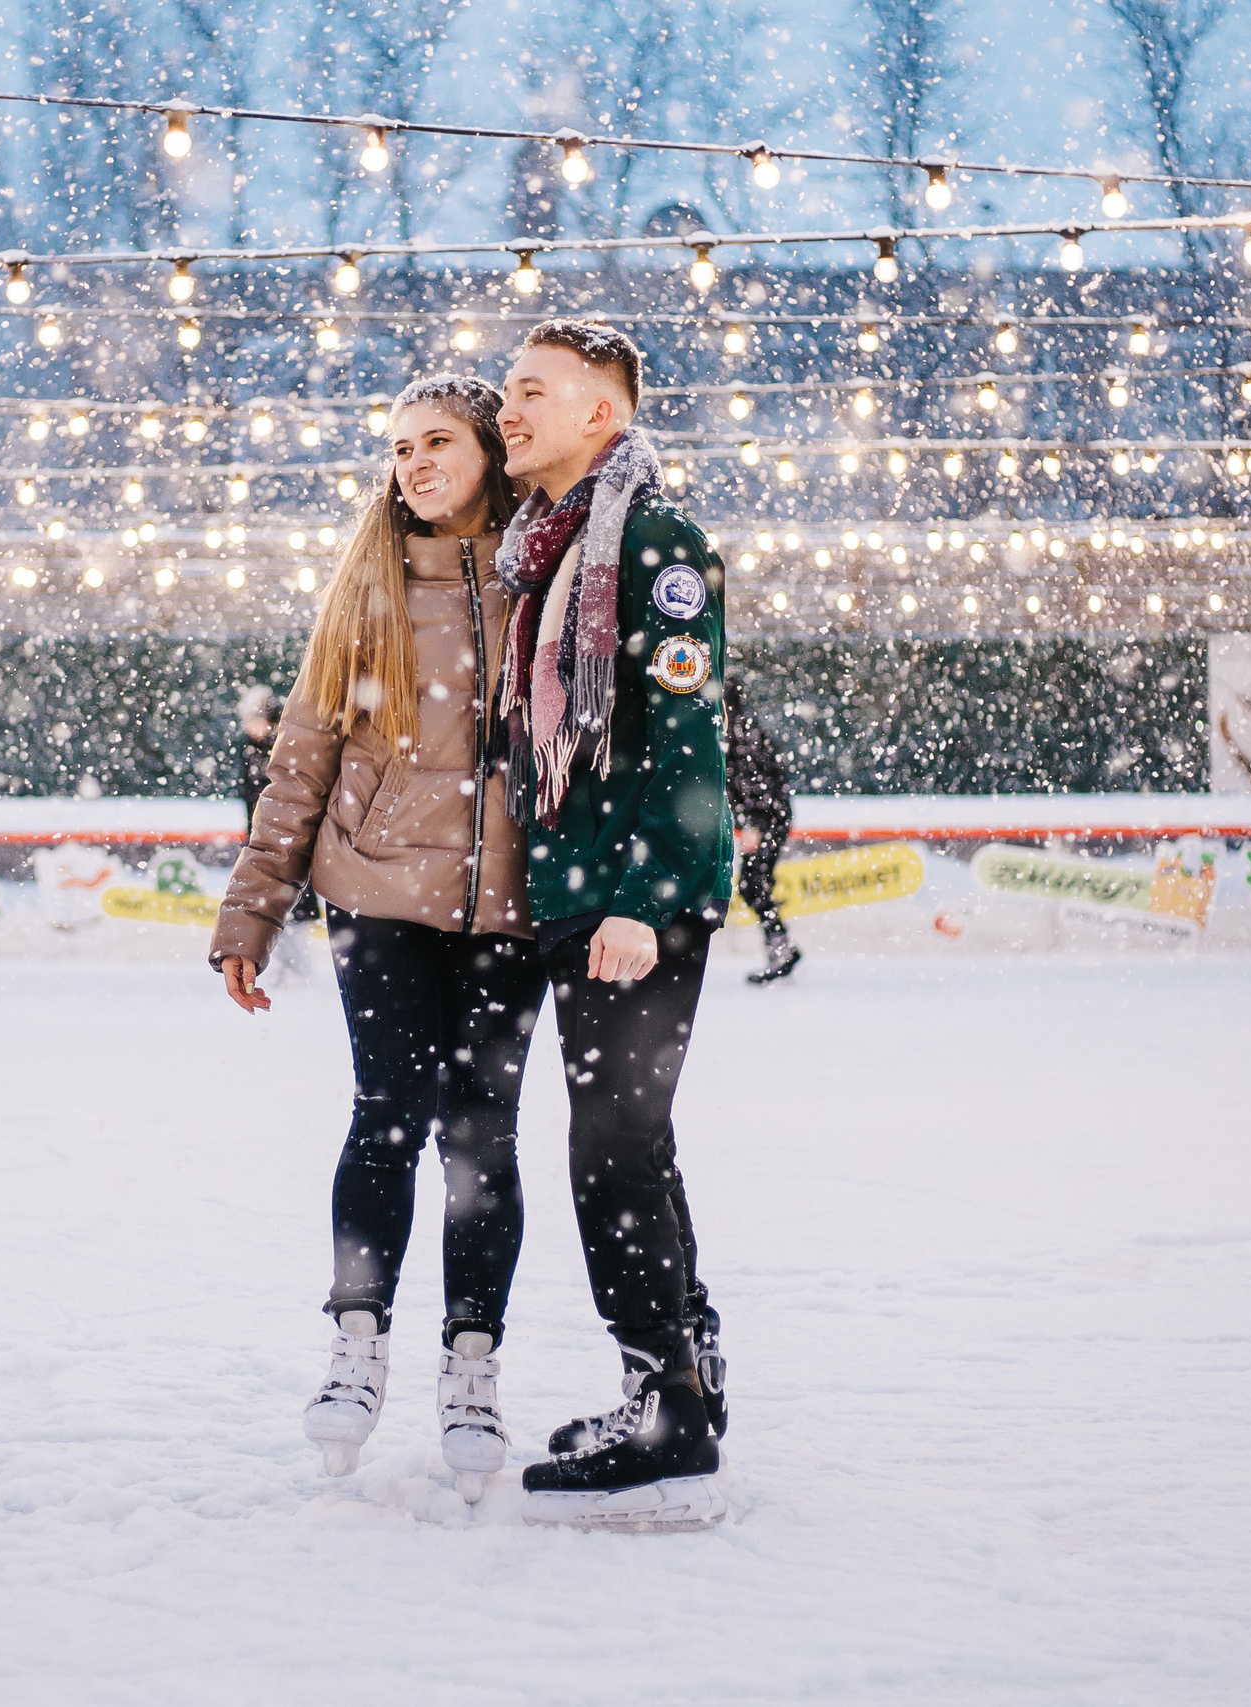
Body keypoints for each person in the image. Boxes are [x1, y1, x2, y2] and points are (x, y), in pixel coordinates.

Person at [210, 375, 537, 1502]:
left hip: (508, 907)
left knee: (482, 1134)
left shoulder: (542, 578)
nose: (413, 464)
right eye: (399, 449)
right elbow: (299, 764)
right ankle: (357, 1341)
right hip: (377, 898)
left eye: (436, 443)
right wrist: (252, 908)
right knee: (388, 1116)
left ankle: (472, 1358)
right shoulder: (365, 590)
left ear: (494, 451)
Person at [492, 320, 734, 1532]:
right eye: (506, 389)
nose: (509, 408)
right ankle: (683, 1379)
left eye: (533, 390)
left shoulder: (652, 543)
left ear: (602, 413)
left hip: (633, 902)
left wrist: (640, 900)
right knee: (629, 1144)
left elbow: (689, 740)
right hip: (577, 894)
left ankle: (662, 1396)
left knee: (610, 1151)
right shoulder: (539, 554)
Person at [234, 683, 318, 986]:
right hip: (263, 838)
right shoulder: (248, 751)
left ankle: (298, 968)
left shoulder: (284, 748)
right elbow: (250, 799)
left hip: (289, 837)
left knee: (292, 905)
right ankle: (286, 965)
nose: (252, 727)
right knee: (268, 905)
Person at [724, 676, 801, 984]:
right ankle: (781, 949)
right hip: (768, 818)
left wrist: (754, 824)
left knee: (753, 885)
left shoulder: (744, 733)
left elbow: (759, 786)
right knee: (755, 885)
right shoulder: (738, 730)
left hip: (769, 819)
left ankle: (782, 950)